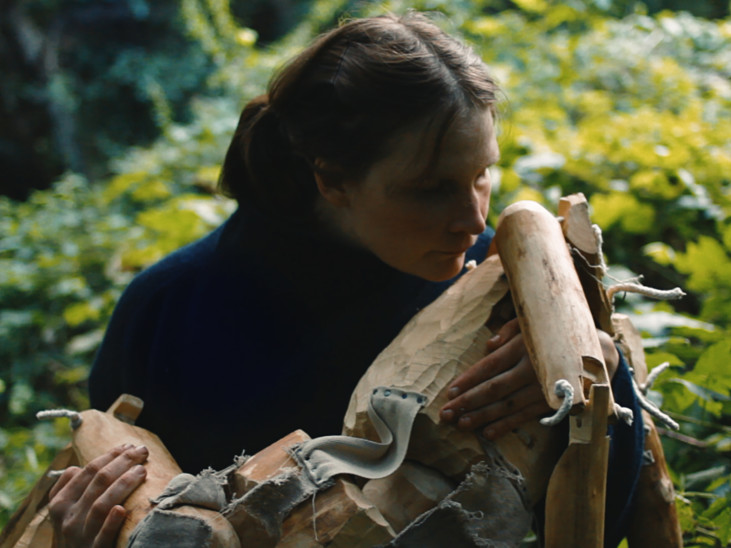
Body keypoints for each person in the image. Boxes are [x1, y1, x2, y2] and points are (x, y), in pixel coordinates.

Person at [46, 12, 642, 548]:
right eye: (429, 189)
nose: (474, 218)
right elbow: (136, 509)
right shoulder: (169, 312)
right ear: (331, 180)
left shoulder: (507, 285)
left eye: (483, 173)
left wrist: (596, 375)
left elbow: (608, 516)